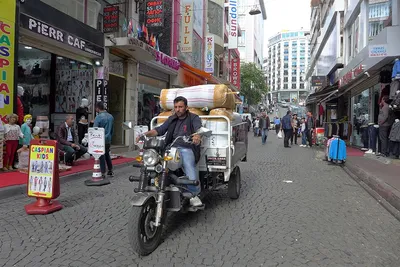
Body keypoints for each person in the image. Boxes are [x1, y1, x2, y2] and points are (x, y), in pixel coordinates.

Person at [136, 96, 203, 207]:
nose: (178, 109)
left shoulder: (193, 118)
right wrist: (144, 134)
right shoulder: (172, 119)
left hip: (187, 147)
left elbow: (198, 129)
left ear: (186, 107)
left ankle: (194, 194)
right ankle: (154, 184)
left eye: (180, 107)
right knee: (155, 162)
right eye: (176, 107)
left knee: (188, 164)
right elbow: (160, 130)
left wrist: (197, 136)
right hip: (170, 147)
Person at [93, 101, 115, 177]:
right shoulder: (111, 117)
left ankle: (103, 172)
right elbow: (112, 129)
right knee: (107, 154)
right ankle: (110, 169)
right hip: (108, 138)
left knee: (101, 156)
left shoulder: (98, 117)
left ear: (97, 108)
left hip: (100, 139)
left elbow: (95, 130)